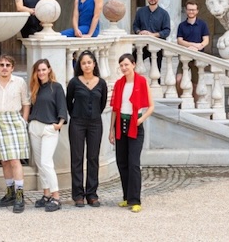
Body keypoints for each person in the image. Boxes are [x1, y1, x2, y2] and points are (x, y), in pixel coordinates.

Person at [109, 53, 155, 213]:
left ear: (133, 65)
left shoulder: (141, 81)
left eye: (126, 65)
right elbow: (115, 109)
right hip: (120, 124)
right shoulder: (119, 84)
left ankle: (136, 200)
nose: (124, 68)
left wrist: (140, 120)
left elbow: (151, 106)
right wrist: (111, 129)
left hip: (135, 124)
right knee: (122, 162)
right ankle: (127, 197)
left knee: (133, 163)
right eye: (121, 65)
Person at [0, 54, 30, 214]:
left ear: (12, 67)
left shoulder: (19, 82)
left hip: (14, 121)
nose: (4, 68)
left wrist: (23, 121)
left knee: (14, 160)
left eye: (7, 65)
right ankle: (10, 192)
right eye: (1, 65)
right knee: (4, 161)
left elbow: (26, 102)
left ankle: (20, 195)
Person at [66, 50, 108, 208]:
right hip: (77, 123)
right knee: (77, 158)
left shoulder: (102, 83)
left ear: (94, 64)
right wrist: (76, 115)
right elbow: (68, 102)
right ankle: (78, 195)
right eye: (83, 63)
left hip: (95, 123)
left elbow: (102, 103)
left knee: (93, 158)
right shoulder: (74, 82)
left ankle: (92, 194)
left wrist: (93, 114)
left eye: (89, 62)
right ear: (80, 65)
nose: (86, 65)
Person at [28, 59, 68, 212]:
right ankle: (46, 195)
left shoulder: (56, 87)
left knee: (46, 162)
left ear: (49, 70)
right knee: (39, 163)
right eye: (38, 70)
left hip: (49, 128)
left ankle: (56, 197)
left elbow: (62, 107)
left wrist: (59, 124)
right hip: (35, 127)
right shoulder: (35, 88)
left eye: (43, 69)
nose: (41, 73)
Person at [132, 0, 171, 70]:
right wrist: (139, 32)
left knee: (156, 70)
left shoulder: (164, 14)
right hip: (142, 45)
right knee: (131, 62)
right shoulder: (140, 12)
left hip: (157, 45)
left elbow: (167, 31)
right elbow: (135, 26)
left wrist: (153, 35)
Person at [176, 0, 210, 93]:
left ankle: (195, 105)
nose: (191, 12)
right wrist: (192, 45)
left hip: (197, 57)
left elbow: (206, 39)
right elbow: (179, 41)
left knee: (196, 84)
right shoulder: (181, 25)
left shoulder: (202, 24)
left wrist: (199, 46)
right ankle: (180, 102)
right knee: (179, 80)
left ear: (197, 11)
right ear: (186, 11)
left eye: (193, 10)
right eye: (189, 10)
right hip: (184, 57)